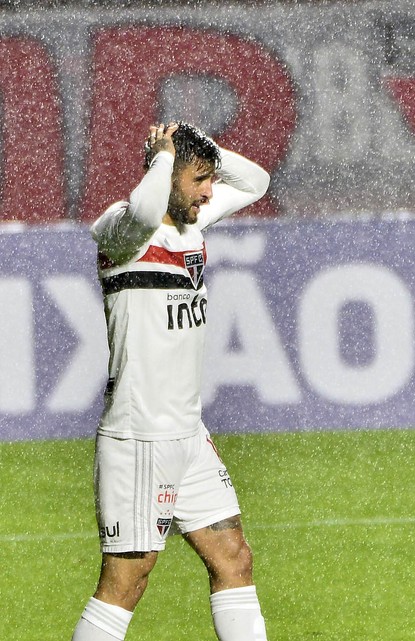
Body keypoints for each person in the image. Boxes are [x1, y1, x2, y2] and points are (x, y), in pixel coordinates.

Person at [72, 121, 271, 641]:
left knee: (234, 559)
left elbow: (256, 181)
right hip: (141, 436)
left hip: (188, 434)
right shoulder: (122, 231)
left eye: (210, 180)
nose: (210, 191)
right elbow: (142, 209)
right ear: (168, 177)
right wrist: (165, 157)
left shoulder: (192, 226)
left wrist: (198, 141)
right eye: (200, 179)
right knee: (126, 582)